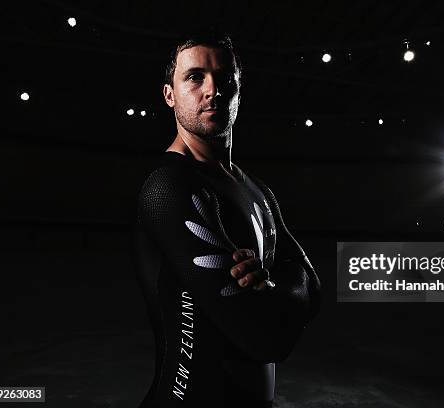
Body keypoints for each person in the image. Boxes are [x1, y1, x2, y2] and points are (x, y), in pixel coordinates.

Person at [133, 30, 321, 408]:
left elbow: (313, 286)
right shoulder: (169, 189)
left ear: (238, 90)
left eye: (225, 78)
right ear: (170, 95)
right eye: (195, 76)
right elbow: (267, 339)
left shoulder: (257, 189)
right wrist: (284, 290)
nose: (212, 89)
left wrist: (272, 289)